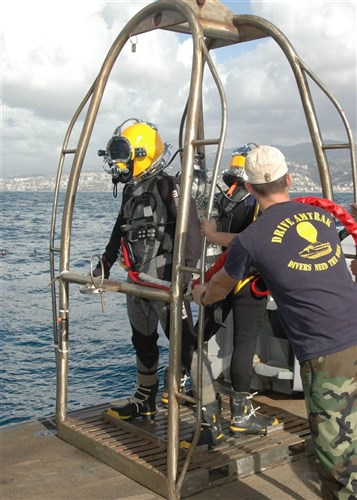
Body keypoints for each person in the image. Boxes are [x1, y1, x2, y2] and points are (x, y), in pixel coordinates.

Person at [192, 145, 357, 499]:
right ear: (290, 179)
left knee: (337, 462)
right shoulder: (324, 218)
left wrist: (199, 294)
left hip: (326, 356)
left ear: (249, 188)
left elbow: (217, 290)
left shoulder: (252, 239)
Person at [93, 118, 202, 422]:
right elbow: (120, 230)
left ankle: (208, 409)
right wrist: (105, 263)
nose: (118, 165)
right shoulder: (131, 191)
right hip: (137, 282)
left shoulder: (170, 186)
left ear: (140, 154)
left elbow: (191, 233)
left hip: (167, 282)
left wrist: (184, 278)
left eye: (123, 156)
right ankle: (145, 398)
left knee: (186, 344)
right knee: (142, 340)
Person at [197, 144, 278, 437]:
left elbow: (207, 229)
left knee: (198, 333)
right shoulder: (257, 202)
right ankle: (241, 414)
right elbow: (253, 238)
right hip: (250, 280)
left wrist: (214, 235)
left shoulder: (221, 198)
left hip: (222, 273)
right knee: (245, 344)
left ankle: (184, 383)